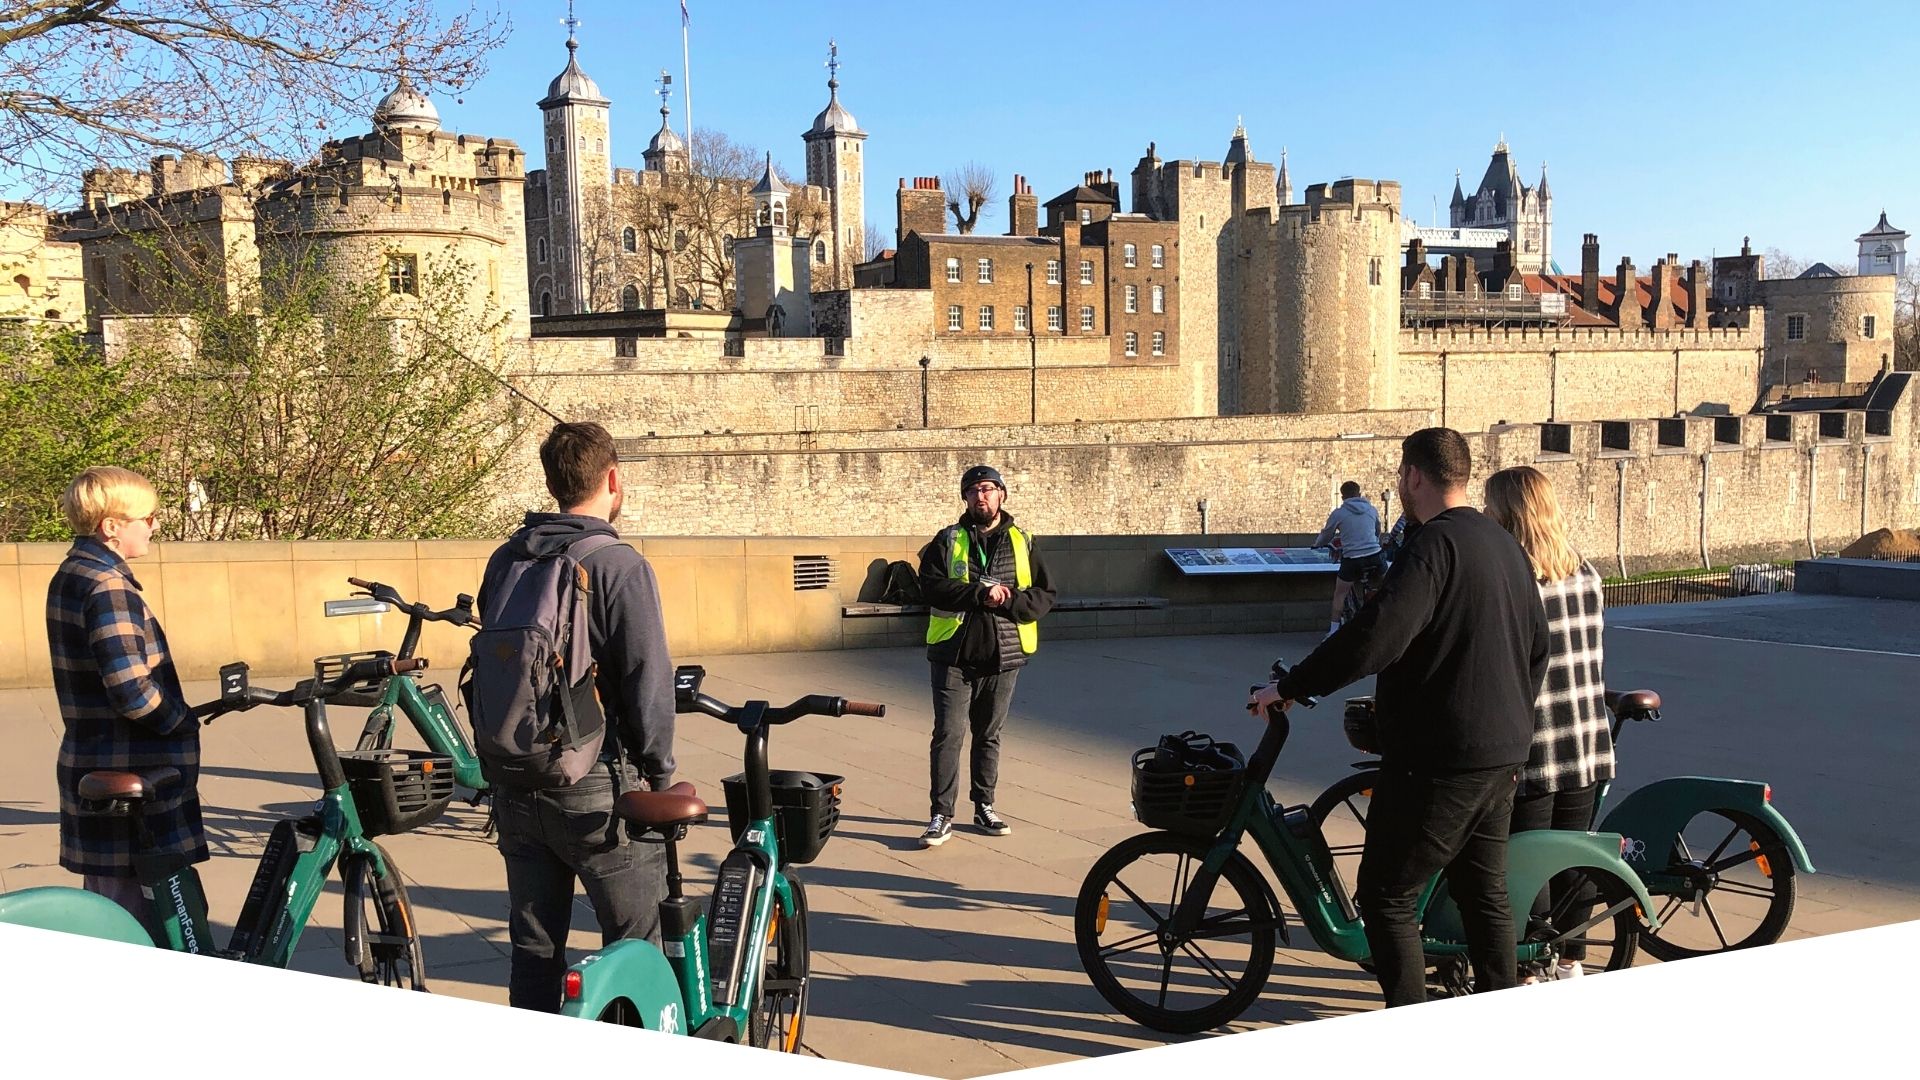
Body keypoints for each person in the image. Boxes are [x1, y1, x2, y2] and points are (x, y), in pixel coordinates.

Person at [1250, 428, 1548, 1007]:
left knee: (1387, 895)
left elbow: (1375, 637)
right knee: (1483, 895)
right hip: (1502, 754)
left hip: (1438, 758)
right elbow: (1537, 646)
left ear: (1414, 476)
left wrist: (1292, 686)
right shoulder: (1502, 542)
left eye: (1402, 476)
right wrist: (1512, 723)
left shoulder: (1433, 546)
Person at [480, 421, 678, 1012]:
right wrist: (658, 775)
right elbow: (648, 682)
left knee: (535, 951)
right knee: (636, 946)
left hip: (516, 782)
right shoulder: (619, 564)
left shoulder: (507, 558)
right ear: (613, 480)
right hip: (595, 783)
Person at [46, 467, 201, 939]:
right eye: (147, 517)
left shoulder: (74, 571)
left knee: (109, 904)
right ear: (111, 526)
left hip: (94, 759)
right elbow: (133, 690)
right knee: (146, 921)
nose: (154, 525)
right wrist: (182, 721)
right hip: (129, 765)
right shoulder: (108, 585)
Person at [1484, 465, 1615, 983]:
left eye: (1492, 508)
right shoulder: (1585, 572)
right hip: (1586, 737)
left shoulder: (1514, 582)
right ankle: (1571, 959)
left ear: (1509, 514)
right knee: (1571, 853)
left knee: (1526, 859)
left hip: (1536, 740)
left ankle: (1530, 961)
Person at [916, 464, 1057, 848]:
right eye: (974, 490)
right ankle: (941, 814)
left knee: (989, 735)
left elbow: (1046, 594)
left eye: (989, 489)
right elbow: (930, 587)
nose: (982, 496)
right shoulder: (948, 539)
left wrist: (1011, 600)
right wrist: (978, 594)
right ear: (965, 498)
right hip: (953, 654)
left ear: (1002, 496)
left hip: (1005, 653)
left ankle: (985, 805)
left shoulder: (1023, 541)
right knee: (948, 734)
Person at [1312, 481, 1383, 637]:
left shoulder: (1339, 513)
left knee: (1340, 594)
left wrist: (1317, 544)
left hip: (1353, 559)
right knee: (1384, 589)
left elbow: (1327, 534)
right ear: (1359, 494)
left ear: (1343, 496)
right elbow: (1378, 530)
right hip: (1375, 556)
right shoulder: (1371, 509)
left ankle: (1333, 631)